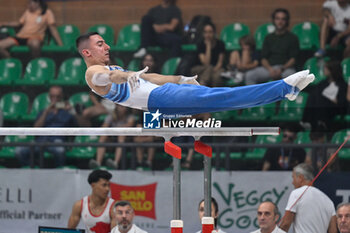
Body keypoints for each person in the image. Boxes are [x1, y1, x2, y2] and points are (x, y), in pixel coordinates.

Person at [76, 32, 314, 117]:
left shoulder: (114, 68)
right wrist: (124, 76)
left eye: (105, 42)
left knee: (221, 98)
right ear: (86, 52)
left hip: (163, 96)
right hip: (160, 101)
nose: (107, 46)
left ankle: (285, 92)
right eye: (100, 44)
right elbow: (107, 78)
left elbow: (153, 78)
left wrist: (180, 79)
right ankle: (284, 88)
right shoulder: (94, 73)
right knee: (222, 98)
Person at [15, 86, 78, 168]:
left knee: (60, 150)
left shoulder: (68, 112)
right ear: (49, 97)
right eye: (52, 96)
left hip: (57, 141)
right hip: (40, 141)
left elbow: (84, 125)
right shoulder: (43, 111)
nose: (55, 99)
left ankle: (58, 172)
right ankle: (33, 169)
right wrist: (46, 112)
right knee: (19, 151)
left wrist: (73, 111)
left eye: (57, 96)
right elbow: (35, 129)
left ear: (62, 96)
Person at [245, 8, 299, 85]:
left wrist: (282, 69)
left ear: (287, 21)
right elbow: (263, 58)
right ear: (274, 20)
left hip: (285, 69)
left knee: (293, 77)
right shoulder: (268, 37)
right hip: (269, 68)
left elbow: (293, 59)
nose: (280, 22)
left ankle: (289, 97)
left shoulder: (292, 38)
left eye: (283, 19)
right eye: (277, 19)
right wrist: (270, 69)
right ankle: (253, 97)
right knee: (250, 75)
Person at [279, 163, 337, 233]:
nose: (292, 182)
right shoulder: (328, 201)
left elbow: (285, 224)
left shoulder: (296, 193)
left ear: (300, 178)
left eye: (293, 178)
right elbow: (333, 231)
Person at [302, 60, 347, 131]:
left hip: (335, 108)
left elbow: (343, 102)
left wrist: (335, 100)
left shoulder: (342, 85)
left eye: (326, 68)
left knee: (320, 101)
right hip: (322, 107)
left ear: (332, 70)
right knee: (313, 96)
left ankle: (314, 122)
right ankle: (309, 122)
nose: (324, 70)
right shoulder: (323, 83)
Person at [89, 105, 135, 169]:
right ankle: (98, 162)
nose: (121, 108)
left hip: (126, 140)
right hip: (113, 138)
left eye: (123, 107)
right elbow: (104, 127)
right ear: (116, 107)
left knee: (121, 136)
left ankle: (115, 162)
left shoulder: (130, 117)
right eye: (120, 106)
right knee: (103, 136)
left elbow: (129, 125)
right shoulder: (112, 116)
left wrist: (116, 129)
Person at [190, 22, 225, 87]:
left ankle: (204, 89)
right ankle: (202, 88)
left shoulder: (220, 44)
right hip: (200, 68)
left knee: (216, 77)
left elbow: (220, 63)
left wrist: (213, 70)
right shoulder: (200, 44)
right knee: (208, 68)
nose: (208, 35)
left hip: (216, 68)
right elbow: (206, 63)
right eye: (205, 32)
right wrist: (208, 46)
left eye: (210, 32)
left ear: (214, 33)